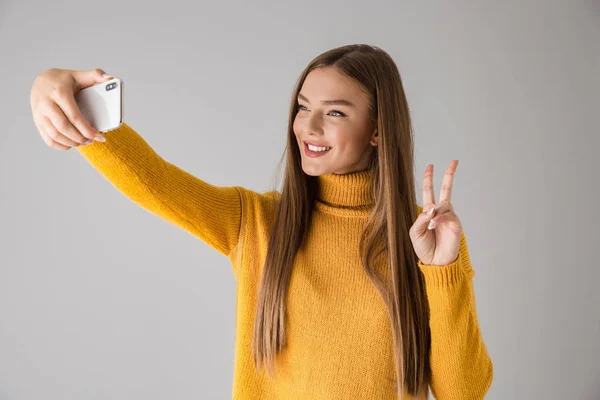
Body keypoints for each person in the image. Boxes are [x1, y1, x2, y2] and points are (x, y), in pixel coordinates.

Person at [29, 44, 493, 399]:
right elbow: (154, 183)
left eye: (334, 112)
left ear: (378, 129)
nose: (307, 127)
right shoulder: (257, 222)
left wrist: (441, 272)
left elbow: (464, 391)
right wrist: (61, 91)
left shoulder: (424, 238)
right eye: (303, 106)